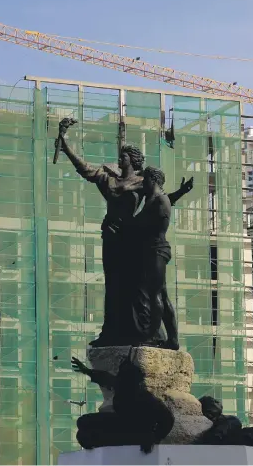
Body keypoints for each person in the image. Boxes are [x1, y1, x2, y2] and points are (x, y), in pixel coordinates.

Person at [58, 119, 193, 349]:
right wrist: (64, 142)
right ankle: (109, 333)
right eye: (120, 157)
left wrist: (181, 191)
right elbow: (84, 168)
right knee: (113, 286)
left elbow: (162, 200)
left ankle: (146, 332)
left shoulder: (143, 182)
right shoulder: (108, 179)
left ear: (133, 160)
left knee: (134, 287)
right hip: (111, 236)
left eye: (124, 157)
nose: (120, 160)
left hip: (133, 239)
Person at [71, 355, 174, 453]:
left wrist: (154, 438)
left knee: (86, 434)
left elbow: (168, 419)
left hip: (136, 433)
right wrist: (87, 371)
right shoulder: (122, 386)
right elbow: (106, 378)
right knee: (82, 422)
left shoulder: (146, 398)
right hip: (122, 423)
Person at [123, 166, 175, 345]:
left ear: (152, 180)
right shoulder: (153, 199)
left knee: (155, 295)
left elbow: (147, 224)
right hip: (153, 251)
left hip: (157, 250)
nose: (143, 183)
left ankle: (152, 336)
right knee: (162, 294)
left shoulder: (160, 200)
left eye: (145, 180)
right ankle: (173, 339)